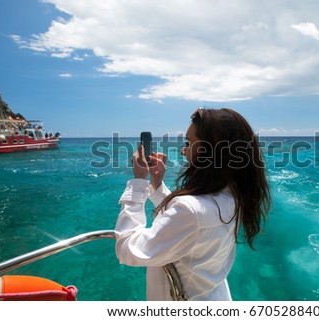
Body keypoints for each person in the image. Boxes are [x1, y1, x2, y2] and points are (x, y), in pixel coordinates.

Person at [115, 108, 271, 300]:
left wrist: (138, 182)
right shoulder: (234, 196)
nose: (183, 151)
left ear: (211, 150)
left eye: (188, 143)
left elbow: (127, 250)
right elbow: (194, 219)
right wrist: (157, 184)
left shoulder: (190, 211)